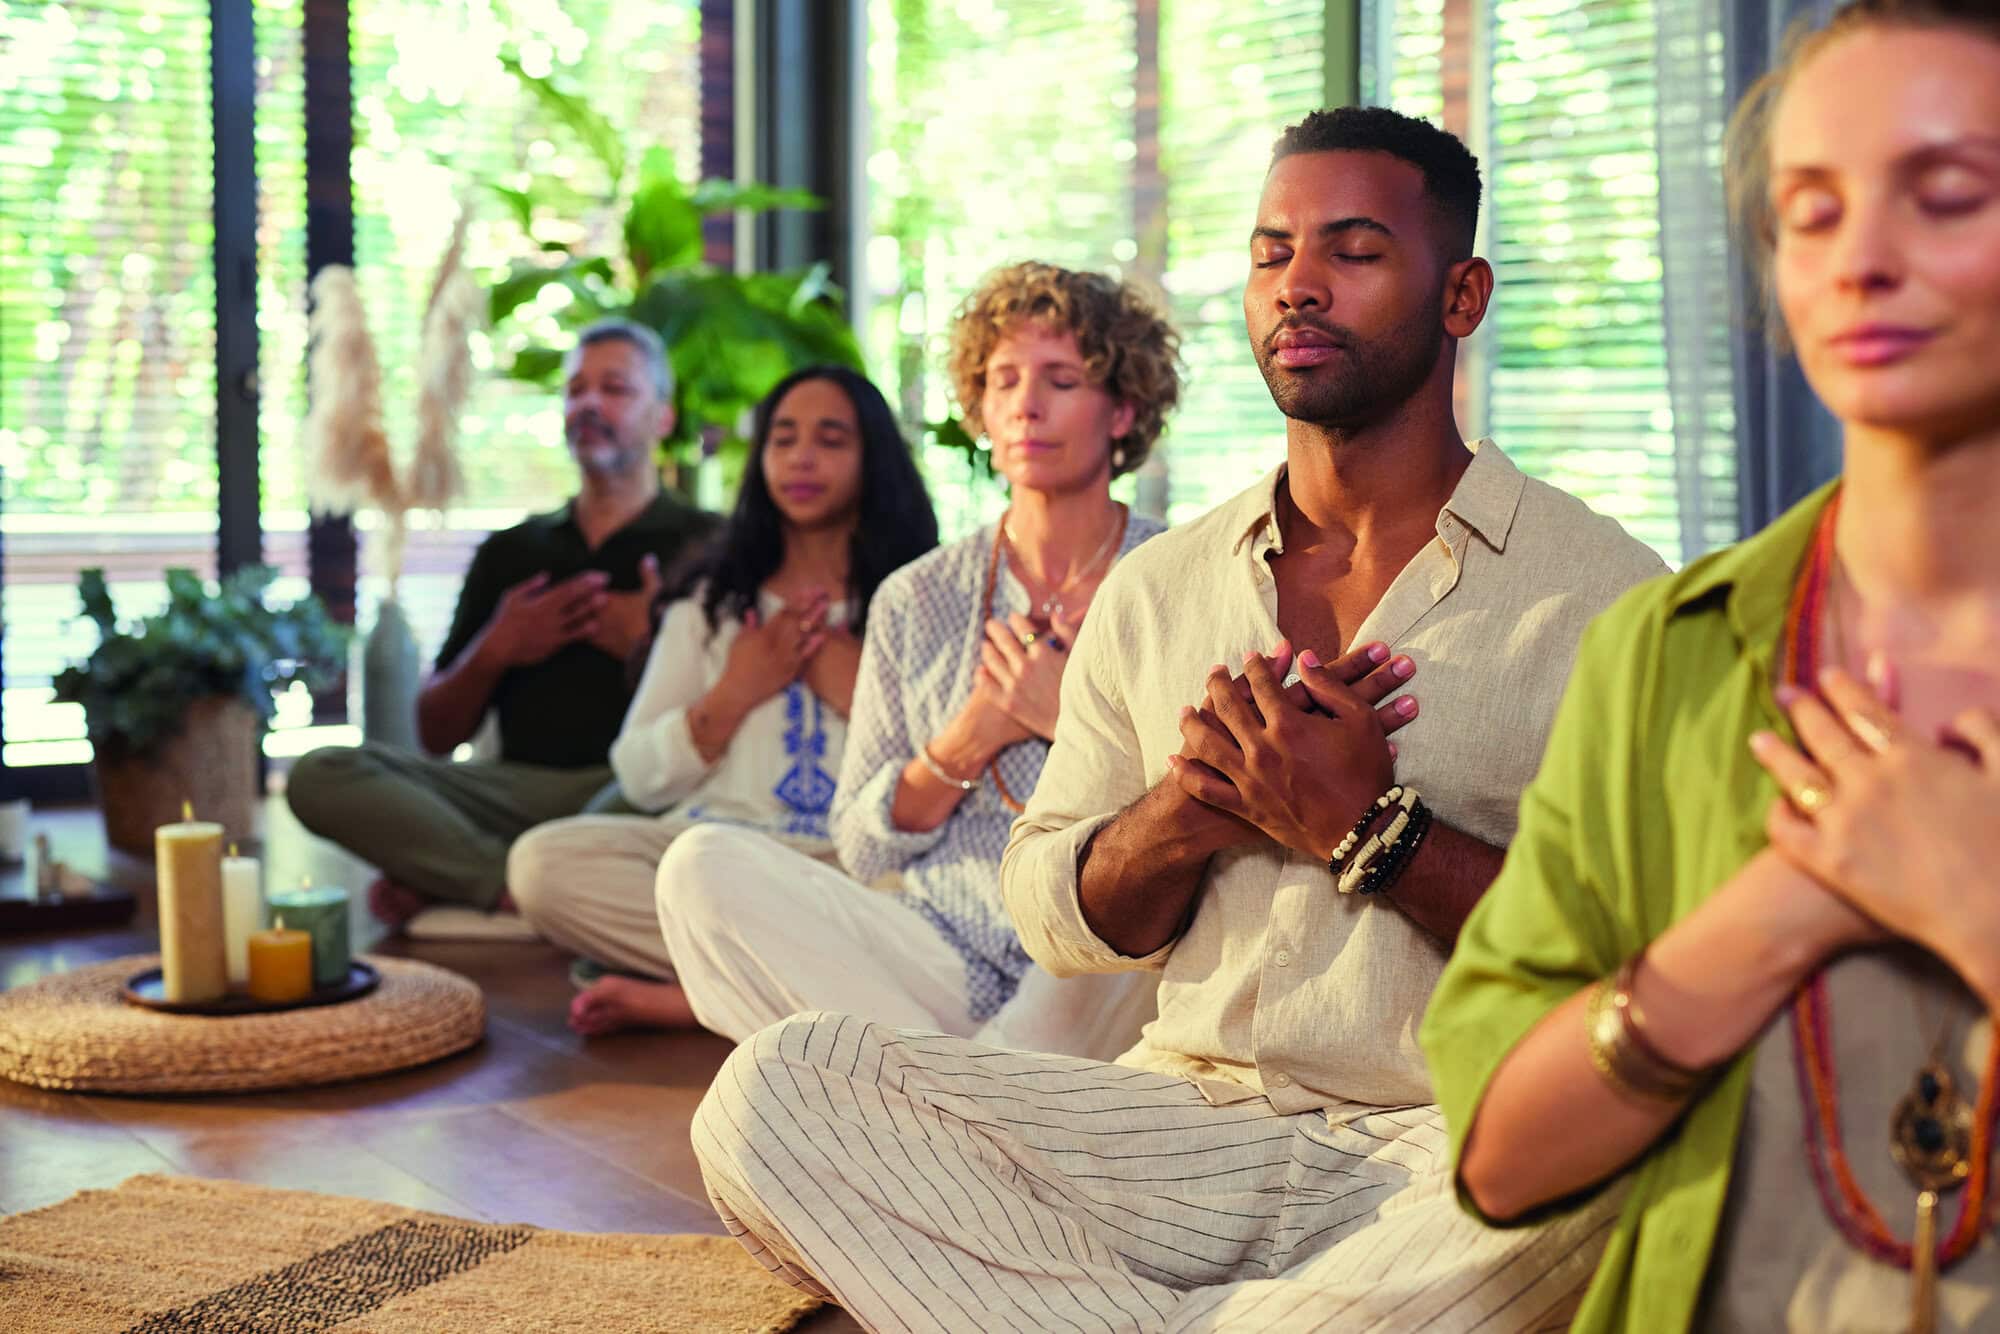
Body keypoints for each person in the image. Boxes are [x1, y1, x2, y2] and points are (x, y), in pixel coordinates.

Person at [691, 108, 1669, 1330]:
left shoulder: (1610, 597)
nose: (1297, 284)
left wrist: (1372, 828)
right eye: (1271, 253)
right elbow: (1054, 913)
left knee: (1626, 1153)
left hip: (1448, 1140)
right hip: (1178, 1123)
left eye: (1351, 252)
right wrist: (1189, 803)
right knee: (773, 1090)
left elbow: (1644, 956)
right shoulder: (1161, 591)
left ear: (1460, 293)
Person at [1422, 3, 2000, 1330]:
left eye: (1948, 195)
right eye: (1810, 211)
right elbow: (1503, 1154)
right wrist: (1785, 903)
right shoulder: (1665, 653)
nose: (1862, 259)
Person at [658, 261, 1177, 1062]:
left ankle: (929, 1101)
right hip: (934, 954)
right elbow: (862, 845)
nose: (1026, 405)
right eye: (1003, 380)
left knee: (1163, 889)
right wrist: (970, 736)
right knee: (698, 867)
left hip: (1090, 959)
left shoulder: (1179, 578)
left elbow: (1203, 808)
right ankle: (981, 1098)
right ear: (979, 411)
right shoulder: (917, 596)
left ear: (1124, 410)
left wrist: (1060, 719)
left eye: (1062, 379)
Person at [508, 366, 938, 1035]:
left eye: (830, 439)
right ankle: (788, 994)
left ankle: (698, 1000)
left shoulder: (917, 601)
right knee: (542, 866)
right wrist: (732, 695)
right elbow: (641, 777)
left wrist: (847, 681)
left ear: (873, 460)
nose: (800, 457)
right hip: (710, 855)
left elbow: (948, 780)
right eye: (782, 438)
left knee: (956, 901)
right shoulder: (712, 605)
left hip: (850, 869)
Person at [286, 319, 715, 925]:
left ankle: (464, 879)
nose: (588, 403)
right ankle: (509, 883)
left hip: (636, 793)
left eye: (614, 388)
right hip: (509, 791)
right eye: (575, 389)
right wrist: (497, 648)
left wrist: (650, 650)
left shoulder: (710, 545)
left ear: (662, 418)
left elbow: (732, 718)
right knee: (320, 773)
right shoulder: (512, 552)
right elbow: (434, 732)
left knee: (694, 797)